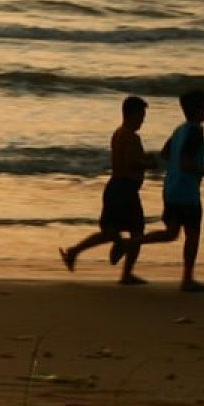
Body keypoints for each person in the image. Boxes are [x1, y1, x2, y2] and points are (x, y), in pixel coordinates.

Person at [61, 96, 153, 284]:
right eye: (141, 115)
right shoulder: (130, 136)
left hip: (116, 187)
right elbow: (131, 162)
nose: (143, 120)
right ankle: (126, 271)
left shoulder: (118, 133)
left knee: (110, 232)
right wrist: (149, 163)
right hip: (125, 190)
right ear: (131, 115)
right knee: (137, 232)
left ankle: (75, 252)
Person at [141, 89, 204, 292]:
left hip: (171, 189)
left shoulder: (179, 130)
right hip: (187, 193)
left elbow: (165, 154)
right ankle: (187, 279)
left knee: (171, 233)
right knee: (192, 235)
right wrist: (203, 171)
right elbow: (184, 162)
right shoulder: (195, 132)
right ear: (198, 110)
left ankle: (132, 243)